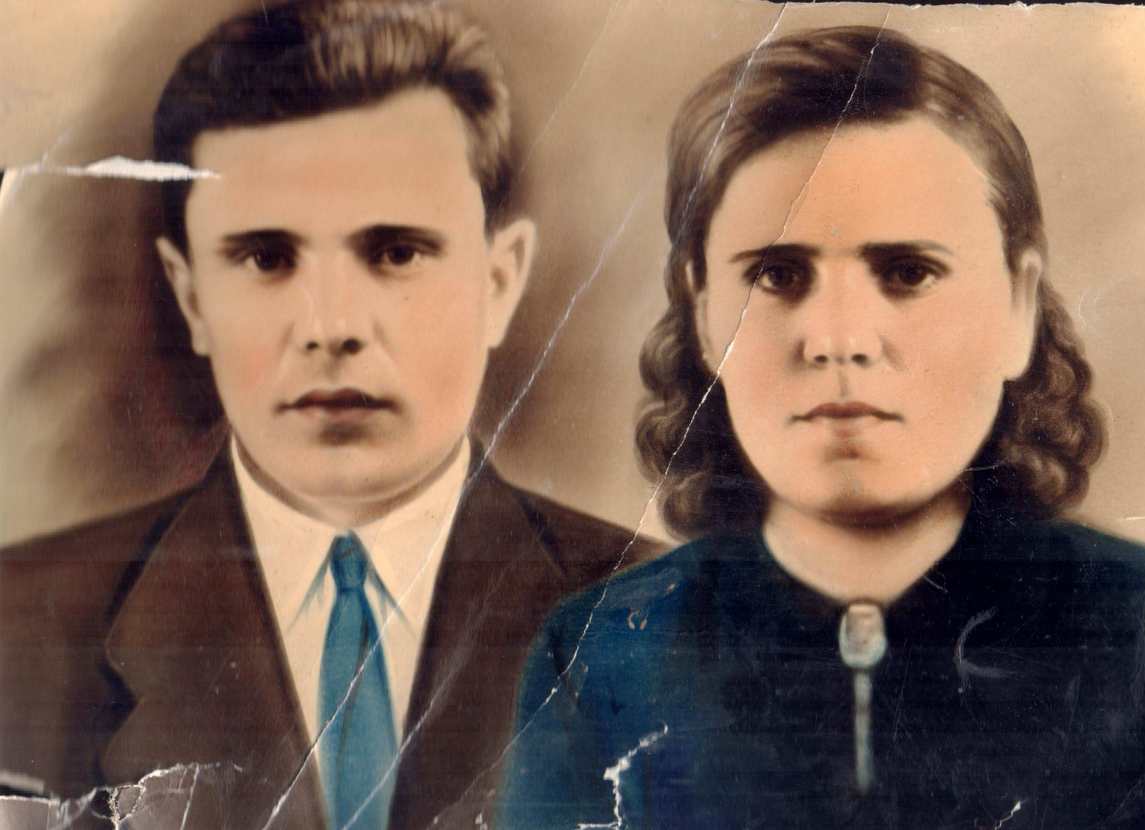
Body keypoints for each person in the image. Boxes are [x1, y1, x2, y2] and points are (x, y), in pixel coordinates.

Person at [500, 26, 1145, 829]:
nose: (837, 338)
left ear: (1018, 304)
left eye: (907, 272)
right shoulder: (601, 657)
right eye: (777, 274)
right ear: (702, 312)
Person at [0, 3, 657, 829]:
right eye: (267, 258)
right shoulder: (17, 634)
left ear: (500, 280)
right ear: (191, 296)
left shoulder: (669, 621)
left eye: (395, 252)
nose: (332, 326)